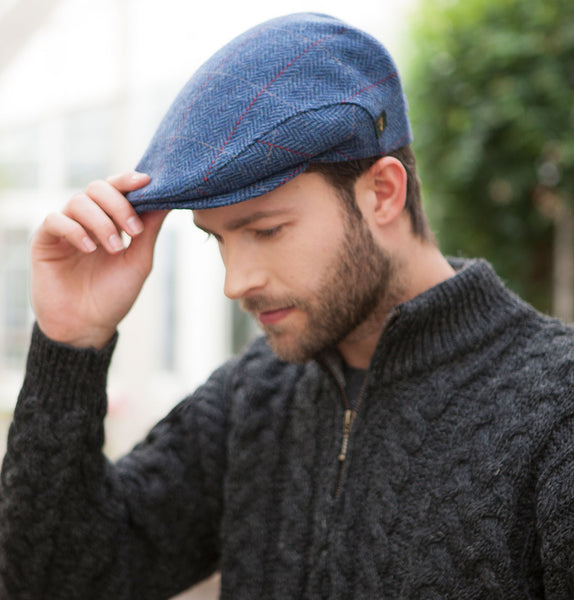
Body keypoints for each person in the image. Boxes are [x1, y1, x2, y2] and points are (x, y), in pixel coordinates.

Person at [1, 11, 574, 600]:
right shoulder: (253, 396)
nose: (236, 281)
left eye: (267, 230)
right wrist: (70, 343)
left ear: (383, 192)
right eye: (218, 239)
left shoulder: (558, 411)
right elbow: (53, 580)